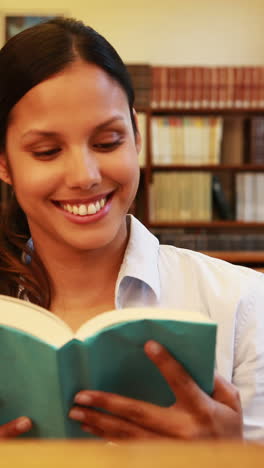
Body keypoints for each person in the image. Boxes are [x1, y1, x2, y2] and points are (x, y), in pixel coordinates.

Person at [0, 17, 263, 442]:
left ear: (137, 136)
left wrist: (227, 457)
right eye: (47, 151)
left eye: (108, 142)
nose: (84, 175)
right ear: (4, 163)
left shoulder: (241, 304)